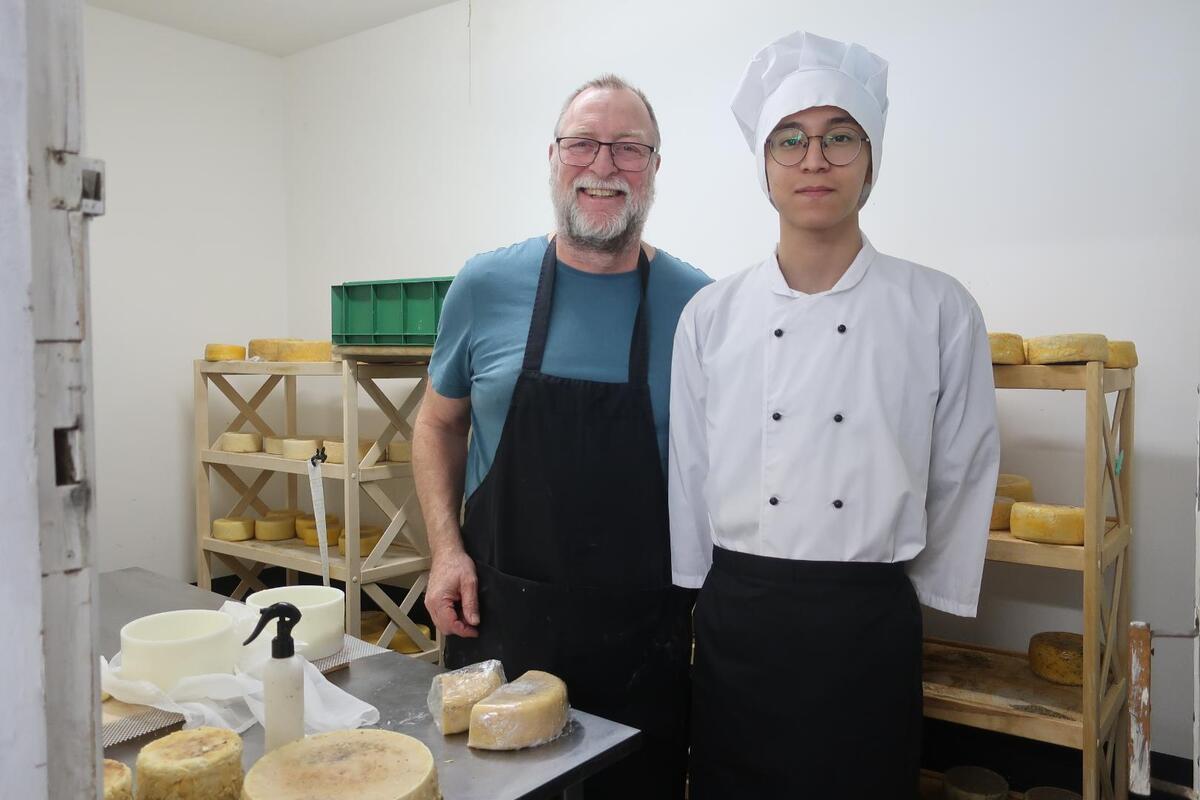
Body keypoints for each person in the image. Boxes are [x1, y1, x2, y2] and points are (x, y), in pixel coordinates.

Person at [669, 32, 1000, 798]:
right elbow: (690, 467)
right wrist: (693, 581)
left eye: (839, 137)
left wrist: (927, 589)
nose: (814, 159)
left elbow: (962, 466)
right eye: (790, 140)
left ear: (871, 161)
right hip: (740, 615)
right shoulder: (710, 315)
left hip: (868, 622)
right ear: (765, 166)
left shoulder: (940, 308)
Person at [413, 74, 710, 798]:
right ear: (553, 157)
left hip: (642, 638)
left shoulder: (699, 305)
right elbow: (438, 423)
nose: (604, 165)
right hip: (500, 621)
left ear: (655, 167)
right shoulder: (484, 285)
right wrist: (445, 551)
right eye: (583, 144)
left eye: (628, 148)